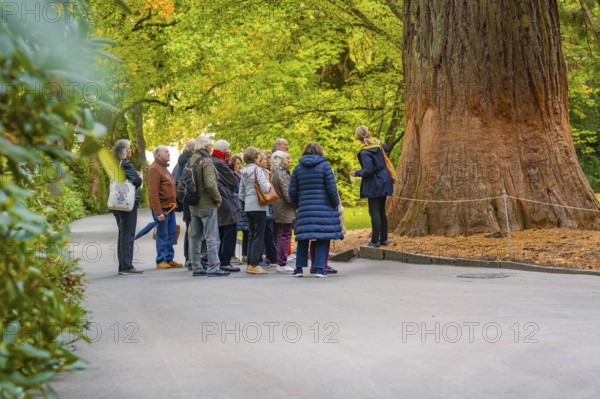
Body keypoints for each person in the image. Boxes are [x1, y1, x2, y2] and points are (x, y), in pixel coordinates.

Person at [289, 142, 343, 277]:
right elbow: (331, 188)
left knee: (302, 238)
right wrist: (335, 203)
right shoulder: (325, 166)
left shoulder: (297, 168)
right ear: (320, 152)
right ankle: (319, 268)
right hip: (323, 207)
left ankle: (298, 269)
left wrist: (299, 204)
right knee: (322, 237)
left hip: (305, 207)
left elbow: (292, 191)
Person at [188, 136, 230, 277]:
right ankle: (213, 267)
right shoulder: (206, 161)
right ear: (206, 146)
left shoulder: (192, 159)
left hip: (193, 204)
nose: (211, 147)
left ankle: (196, 266)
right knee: (212, 236)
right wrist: (218, 200)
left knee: (195, 237)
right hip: (207, 203)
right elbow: (211, 184)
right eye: (210, 145)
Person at [350, 125, 394, 248]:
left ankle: (375, 241)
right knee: (381, 212)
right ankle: (384, 239)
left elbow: (368, 170)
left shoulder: (365, 152)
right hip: (385, 181)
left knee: (374, 212)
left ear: (357, 137)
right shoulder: (378, 146)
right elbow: (387, 148)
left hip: (375, 184)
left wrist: (357, 172)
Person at [111, 139, 143, 275]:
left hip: (116, 203)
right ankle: (127, 266)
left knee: (122, 234)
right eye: (129, 148)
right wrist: (137, 176)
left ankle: (123, 265)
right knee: (128, 234)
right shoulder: (126, 164)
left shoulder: (114, 164)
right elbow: (137, 180)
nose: (131, 150)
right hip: (127, 204)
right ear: (124, 150)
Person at [148, 145, 183, 269]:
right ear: (158, 155)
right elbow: (153, 193)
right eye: (166, 152)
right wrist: (158, 212)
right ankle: (161, 260)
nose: (169, 154)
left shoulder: (164, 168)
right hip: (162, 208)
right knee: (162, 234)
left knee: (171, 233)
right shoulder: (154, 169)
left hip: (170, 208)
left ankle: (169, 258)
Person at [239, 147, 271, 274]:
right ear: (255, 158)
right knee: (259, 235)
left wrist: (247, 201)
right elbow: (265, 187)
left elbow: (241, 192)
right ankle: (254, 264)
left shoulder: (244, 171)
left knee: (252, 234)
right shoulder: (257, 170)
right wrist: (268, 181)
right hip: (258, 206)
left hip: (248, 206)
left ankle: (250, 263)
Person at [212, 139, 241, 272]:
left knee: (221, 231)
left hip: (219, 201)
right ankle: (225, 260)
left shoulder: (212, 161)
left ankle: (220, 259)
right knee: (229, 230)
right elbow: (234, 181)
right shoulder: (219, 163)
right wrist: (229, 164)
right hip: (226, 200)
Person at [173, 139, 196, 270]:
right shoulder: (189, 162)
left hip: (186, 200)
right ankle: (189, 257)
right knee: (192, 229)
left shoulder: (180, 162)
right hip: (190, 199)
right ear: (192, 150)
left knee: (190, 228)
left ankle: (188, 257)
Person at [271, 150, 295, 272]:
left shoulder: (276, 173)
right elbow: (287, 193)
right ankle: (281, 263)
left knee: (282, 235)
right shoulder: (282, 174)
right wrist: (296, 202)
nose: (288, 160)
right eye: (286, 158)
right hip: (284, 208)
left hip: (279, 207)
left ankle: (280, 262)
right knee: (285, 235)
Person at [258, 150, 277, 267]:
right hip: (264, 205)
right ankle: (272, 257)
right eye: (265, 159)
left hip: (265, 206)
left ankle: (271, 257)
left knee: (266, 232)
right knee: (266, 233)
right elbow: (266, 189)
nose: (267, 161)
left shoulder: (264, 171)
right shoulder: (263, 172)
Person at [232, 154, 249, 263]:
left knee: (246, 230)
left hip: (244, 205)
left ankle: (245, 254)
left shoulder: (242, 175)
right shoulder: (233, 176)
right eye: (236, 164)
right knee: (234, 230)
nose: (239, 166)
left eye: (240, 164)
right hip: (237, 205)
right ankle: (232, 254)